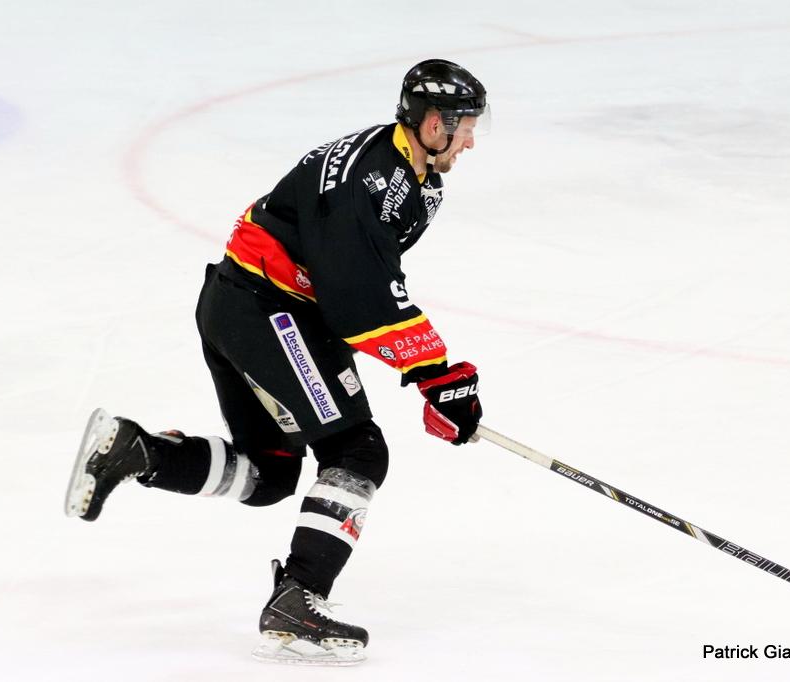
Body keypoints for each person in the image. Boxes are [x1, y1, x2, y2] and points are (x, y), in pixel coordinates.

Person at [65, 58, 489, 665]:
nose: (470, 140)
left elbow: (365, 283)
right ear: (430, 123)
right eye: (463, 125)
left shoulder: (410, 176)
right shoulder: (371, 180)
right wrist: (437, 373)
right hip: (269, 312)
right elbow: (358, 295)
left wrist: (432, 374)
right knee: (358, 452)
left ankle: (138, 452)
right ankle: (298, 598)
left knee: (270, 473)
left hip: (245, 304)